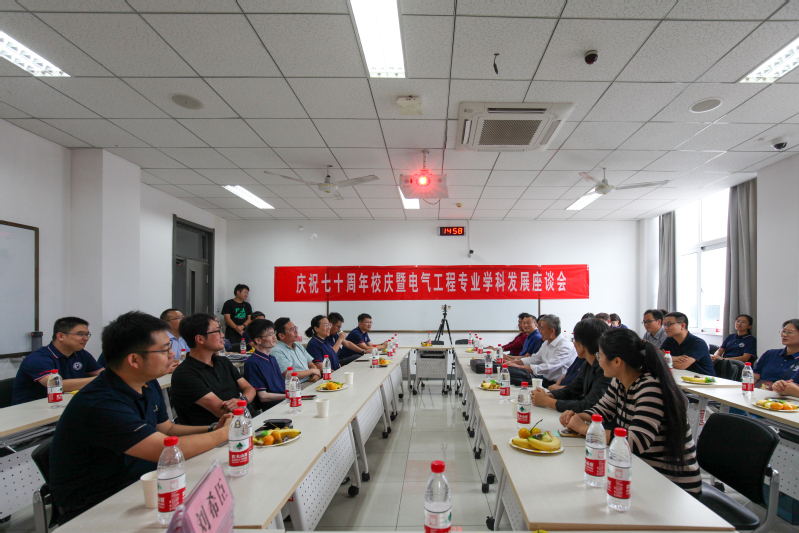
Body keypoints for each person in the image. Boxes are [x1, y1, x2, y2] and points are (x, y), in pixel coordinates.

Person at [49, 312, 232, 524]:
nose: (172, 354)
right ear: (134, 360)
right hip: (99, 506)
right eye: (164, 350)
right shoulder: (100, 403)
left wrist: (212, 428)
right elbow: (164, 449)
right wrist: (224, 433)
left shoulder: (147, 382)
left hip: (143, 482)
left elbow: (167, 429)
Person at [561, 328, 701, 494]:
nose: (599, 361)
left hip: (671, 484)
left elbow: (634, 442)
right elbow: (601, 411)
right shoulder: (620, 381)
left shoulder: (651, 387)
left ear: (617, 361)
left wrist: (584, 428)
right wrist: (576, 416)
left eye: (601, 356)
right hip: (640, 471)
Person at [171, 313, 256, 426]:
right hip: (221, 429)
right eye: (217, 331)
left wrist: (242, 400)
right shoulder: (185, 374)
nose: (222, 335)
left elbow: (249, 388)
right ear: (200, 339)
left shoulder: (223, 361)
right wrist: (243, 403)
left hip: (245, 420)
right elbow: (221, 411)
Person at [12, 317, 103, 405]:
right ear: (60, 336)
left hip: (63, 404)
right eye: (80, 334)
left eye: (87, 334)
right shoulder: (38, 358)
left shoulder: (81, 354)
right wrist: (101, 378)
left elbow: (103, 373)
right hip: (31, 409)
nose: (86, 338)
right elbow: (56, 385)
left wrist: (105, 376)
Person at [533, 318, 611, 412]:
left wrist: (547, 401)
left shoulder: (606, 370)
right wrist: (548, 395)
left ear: (583, 345)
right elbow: (571, 390)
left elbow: (590, 405)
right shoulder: (587, 363)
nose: (573, 344)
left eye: (575, 340)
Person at [507, 314, 576, 387]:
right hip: (545, 380)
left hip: (558, 385)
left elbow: (548, 368)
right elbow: (535, 359)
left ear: (552, 331)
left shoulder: (565, 346)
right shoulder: (546, 342)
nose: (539, 331)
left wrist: (518, 366)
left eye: (542, 328)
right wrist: (512, 362)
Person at [242, 319, 286, 412]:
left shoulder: (272, 358)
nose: (274, 337)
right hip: (270, 409)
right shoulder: (252, 362)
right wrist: (290, 396)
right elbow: (263, 396)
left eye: (274, 333)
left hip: (283, 402)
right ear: (258, 340)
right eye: (270, 334)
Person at [660, 312, 715, 376]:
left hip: (703, 379)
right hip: (682, 376)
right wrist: (674, 358)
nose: (665, 328)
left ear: (683, 326)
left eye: (669, 324)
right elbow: (658, 355)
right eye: (664, 325)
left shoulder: (698, 343)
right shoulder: (670, 340)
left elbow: (681, 365)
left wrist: (665, 360)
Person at [752, 319, 799, 390]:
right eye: (784, 331)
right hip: (761, 392)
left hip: (785, 395)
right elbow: (755, 376)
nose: (784, 335)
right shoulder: (770, 354)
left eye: (790, 332)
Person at [271, 317, 321, 383]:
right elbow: (289, 375)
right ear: (281, 335)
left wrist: (316, 374)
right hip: (297, 384)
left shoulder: (298, 345)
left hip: (310, 380)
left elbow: (311, 364)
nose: (296, 331)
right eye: (292, 329)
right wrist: (312, 371)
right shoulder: (276, 351)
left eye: (295, 328)